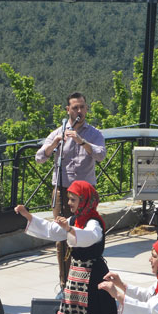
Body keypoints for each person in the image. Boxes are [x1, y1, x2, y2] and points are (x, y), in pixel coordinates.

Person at [16, 180, 118, 314]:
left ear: (85, 201)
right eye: (70, 199)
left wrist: (70, 228)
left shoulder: (93, 222)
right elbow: (53, 231)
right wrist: (29, 217)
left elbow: (90, 237)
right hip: (76, 276)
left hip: (94, 276)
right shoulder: (76, 219)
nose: (69, 203)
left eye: (73, 199)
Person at [35, 92, 107, 288]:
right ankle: (64, 281)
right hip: (63, 189)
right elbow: (39, 157)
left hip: (85, 193)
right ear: (68, 110)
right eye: (75, 107)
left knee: (83, 233)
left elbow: (101, 155)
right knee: (62, 234)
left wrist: (82, 141)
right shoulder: (59, 131)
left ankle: (86, 279)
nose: (79, 111)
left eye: (82, 107)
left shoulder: (93, 133)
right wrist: (54, 144)